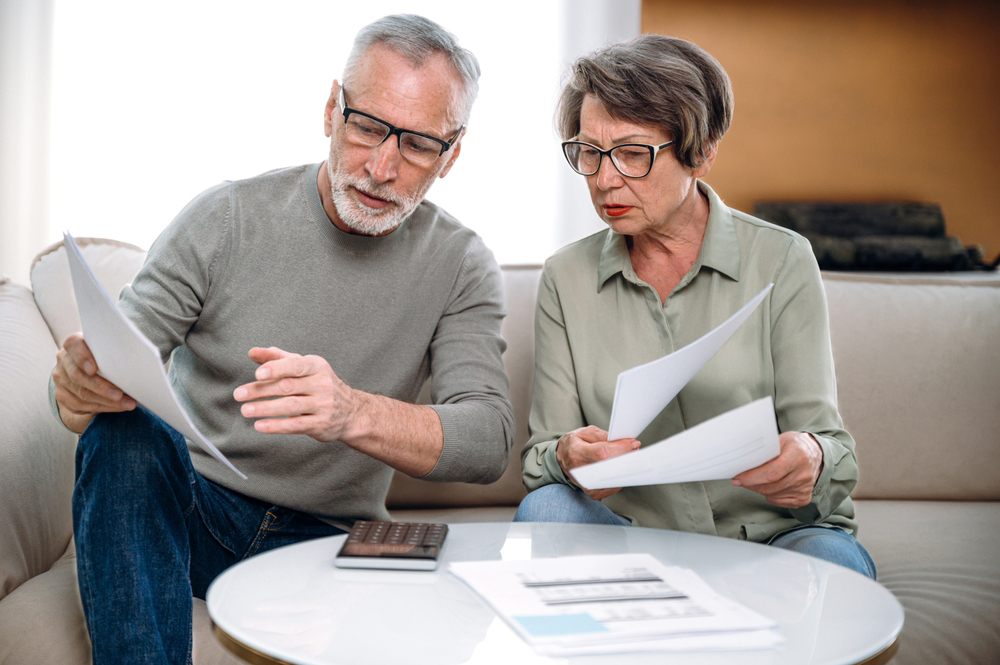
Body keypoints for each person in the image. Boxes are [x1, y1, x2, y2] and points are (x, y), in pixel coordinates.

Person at [51, 14, 514, 663]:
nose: (381, 166)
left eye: (416, 145)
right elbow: (100, 379)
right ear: (332, 109)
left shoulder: (461, 262)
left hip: (327, 542)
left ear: (453, 153)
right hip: (197, 511)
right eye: (368, 126)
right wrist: (77, 389)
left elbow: (488, 438)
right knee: (121, 430)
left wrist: (350, 411)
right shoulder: (226, 218)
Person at [515, 34, 875, 579]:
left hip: (772, 540)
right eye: (590, 154)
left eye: (633, 154)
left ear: (701, 152)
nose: (605, 179)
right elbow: (542, 459)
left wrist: (812, 458)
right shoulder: (566, 277)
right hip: (632, 545)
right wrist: (567, 456)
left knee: (832, 563)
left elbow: (831, 451)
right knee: (545, 511)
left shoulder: (782, 259)